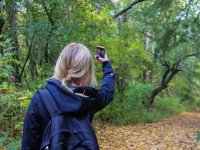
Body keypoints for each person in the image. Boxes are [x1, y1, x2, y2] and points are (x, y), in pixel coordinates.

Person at [22, 42, 114, 149]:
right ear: (87, 70)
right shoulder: (89, 99)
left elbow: (28, 145)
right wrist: (106, 64)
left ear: (61, 64)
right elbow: (108, 91)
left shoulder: (40, 99)